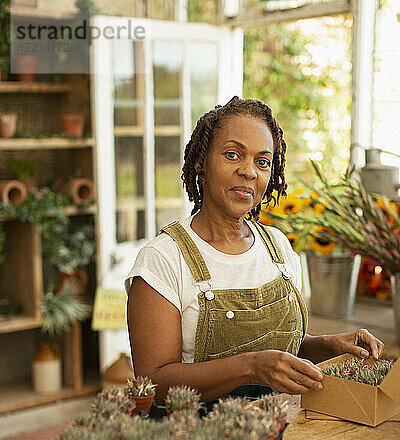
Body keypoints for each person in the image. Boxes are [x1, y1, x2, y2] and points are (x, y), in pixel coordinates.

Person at [125, 96, 384, 405]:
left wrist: (329, 345)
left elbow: (282, 349)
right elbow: (153, 384)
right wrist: (250, 367)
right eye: (233, 155)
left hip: (286, 426)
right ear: (201, 161)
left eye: (262, 161)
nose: (249, 172)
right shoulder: (164, 259)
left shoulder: (278, 247)